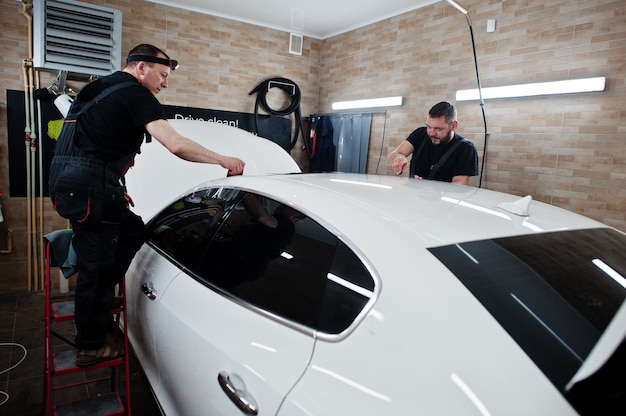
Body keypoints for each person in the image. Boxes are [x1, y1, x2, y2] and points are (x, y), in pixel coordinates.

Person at [48, 44, 245, 367]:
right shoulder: (135, 94)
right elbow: (176, 144)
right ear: (141, 68)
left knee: (132, 229)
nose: (164, 83)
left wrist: (110, 183)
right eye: (163, 75)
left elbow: (93, 143)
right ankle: (91, 345)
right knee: (94, 267)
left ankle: (99, 299)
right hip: (88, 186)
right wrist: (222, 159)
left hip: (76, 182)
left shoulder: (101, 87)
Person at [388, 101, 478, 185]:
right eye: (429, 127)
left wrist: (432, 190)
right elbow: (395, 154)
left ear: (453, 126)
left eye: (438, 129)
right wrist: (399, 158)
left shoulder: (465, 149)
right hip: (414, 196)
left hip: (441, 200)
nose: (431, 133)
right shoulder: (420, 134)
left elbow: (458, 187)